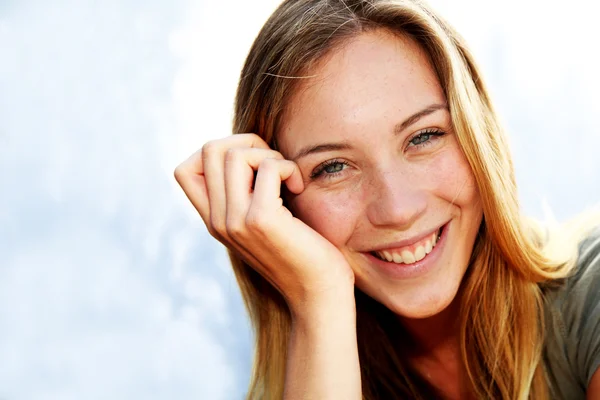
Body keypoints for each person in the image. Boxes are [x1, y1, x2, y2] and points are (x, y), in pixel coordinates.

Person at [174, 0, 600, 398]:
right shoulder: (312, 373)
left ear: (478, 136)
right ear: (280, 203)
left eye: (424, 137)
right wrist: (318, 299)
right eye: (333, 167)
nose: (398, 209)